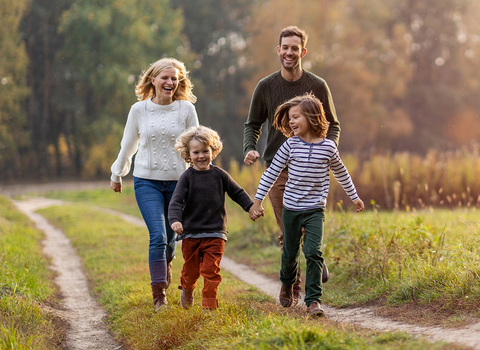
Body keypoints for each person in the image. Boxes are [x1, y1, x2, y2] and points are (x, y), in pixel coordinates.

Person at [243, 25, 340, 300]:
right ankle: (291, 287)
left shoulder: (318, 85)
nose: (289, 52)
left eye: (294, 48)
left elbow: (333, 125)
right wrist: (250, 148)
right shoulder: (266, 86)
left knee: (310, 226)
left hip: (312, 169)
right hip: (278, 170)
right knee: (288, 231)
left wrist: (327, 152)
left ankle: (314, 256)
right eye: (285, 47)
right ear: (278, 50)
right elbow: (252, 124)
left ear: (303, 52)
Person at [251, 94, 364, 317]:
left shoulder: (328, 147)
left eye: (295, 117)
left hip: (315, 210)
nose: (291, 122)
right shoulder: (289, 146)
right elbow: (272, 173)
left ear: (311, 117)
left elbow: (341, 172)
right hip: (291, 209)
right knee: (290, 255)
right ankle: (287, 283)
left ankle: (313, 302)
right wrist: (257, 200)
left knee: (313, 252)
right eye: (290, 118)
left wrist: (354, 196)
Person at [110, 58, 199, 312]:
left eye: (175, 79)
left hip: (178, 184)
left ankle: (166, 263)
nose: (170, 82)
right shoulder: (139, 110)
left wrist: (201, 178)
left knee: (171, 240)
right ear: (153, 80)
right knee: (158, 236)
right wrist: (118, 174)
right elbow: (128, 145)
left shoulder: (185, 109)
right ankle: (159, 295)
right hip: (146, 181)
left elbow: (196, 144)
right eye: (165, 78)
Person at [168, 126, 260, 311]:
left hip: (216, 232)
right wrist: (175, 220)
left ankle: (209, 305)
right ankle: (187, 287)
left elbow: (237, 192)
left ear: (213, 151)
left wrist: (251, 207)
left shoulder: (220, 175)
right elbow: (176, 201)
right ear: (188, 154)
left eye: (205, 151)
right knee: (191, 270)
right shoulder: (187, 177)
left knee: (211, 270)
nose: (201, 156)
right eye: (196, 152)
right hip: (191, 233)